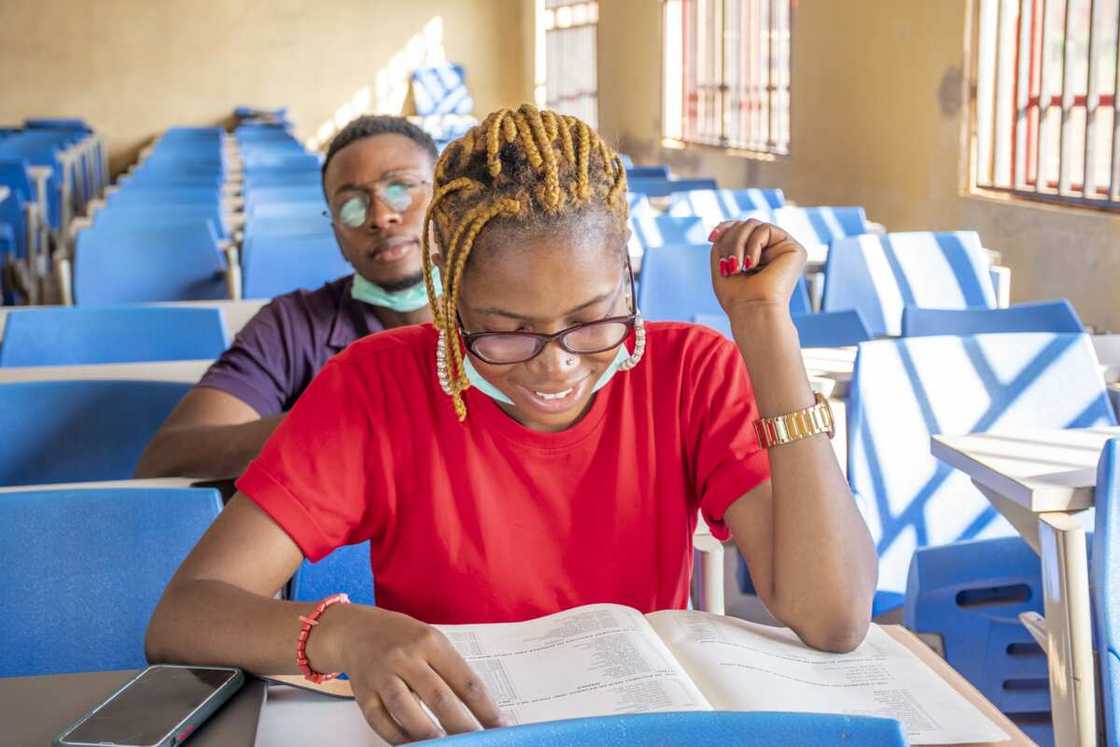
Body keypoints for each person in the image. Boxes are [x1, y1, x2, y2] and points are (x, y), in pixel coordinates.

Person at [146, 105, 877, 744]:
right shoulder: (374, 388)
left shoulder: (690, 370)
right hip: (461, 730)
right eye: (504, 332)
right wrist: (338, 629)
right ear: (449, 300)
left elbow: (834, 616)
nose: (555, 367)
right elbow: (184, 615)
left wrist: (763, 324)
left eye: (593, 323)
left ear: (627, 277)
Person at [134, 116, 438, 479]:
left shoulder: (505, 313)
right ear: (336, 232)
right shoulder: (293, 327)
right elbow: (168, 458)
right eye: (352, 205)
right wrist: (342, 417)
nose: (380, 216)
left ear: (450, 201)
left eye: (402, 188)